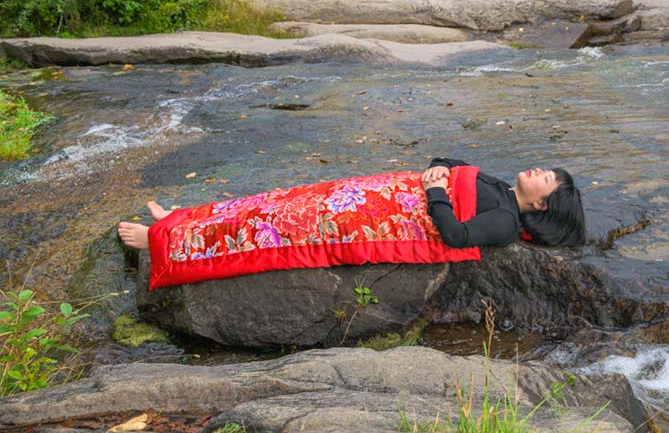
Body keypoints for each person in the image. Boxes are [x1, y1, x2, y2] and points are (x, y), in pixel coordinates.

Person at [117, 157, 586, 251]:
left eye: (550, 181)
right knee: (275, 200)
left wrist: (434, 190)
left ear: (542, 206)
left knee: (277, 225)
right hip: (370, 190)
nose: (543, 171)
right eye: (549, 170)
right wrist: (439, 168)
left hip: (372, 216)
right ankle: (180, 219)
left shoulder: (504, 222)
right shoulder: (501, 185)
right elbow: (449, 161)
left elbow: (456, 236)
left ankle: (160, 242)